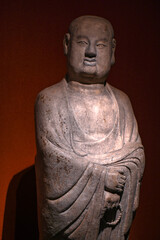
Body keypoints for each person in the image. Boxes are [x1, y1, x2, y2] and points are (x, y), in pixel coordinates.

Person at [35, 16, 145, 240]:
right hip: (70, 225)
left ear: (113, 50)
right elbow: (54, 158)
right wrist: (104, 177)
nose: (91, 52)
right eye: (83, 43)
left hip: (112, 218)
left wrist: (112, 181)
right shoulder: (50, 100)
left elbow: (136, 155)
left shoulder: (122, 102)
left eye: (101, 45)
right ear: (67, 44)